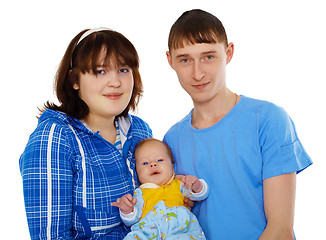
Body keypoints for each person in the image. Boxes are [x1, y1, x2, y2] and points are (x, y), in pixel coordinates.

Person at [164, 9, 313, 240]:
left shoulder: (268, 120)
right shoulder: (171, 140)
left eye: (208, 57)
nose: (197, 73)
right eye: (185, 59)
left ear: (229, 53)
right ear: (170, 61)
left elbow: (281, 228)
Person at [19, 28, 152, 239]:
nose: (115, 82)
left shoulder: (139, 131)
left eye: (124, 70)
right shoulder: (55, 138)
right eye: (100, 71)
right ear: (74, 80)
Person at [111, 138, 209, 239]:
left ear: (172, 166)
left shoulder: (179, 184)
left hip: (180, 229)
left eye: (160, 160)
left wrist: (197, 185)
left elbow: (201, 195)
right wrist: (127, 210)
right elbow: (132, 220)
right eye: (145, 163)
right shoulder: (140, 193)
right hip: (149, 231)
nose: (153, 164)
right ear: (137, 171)